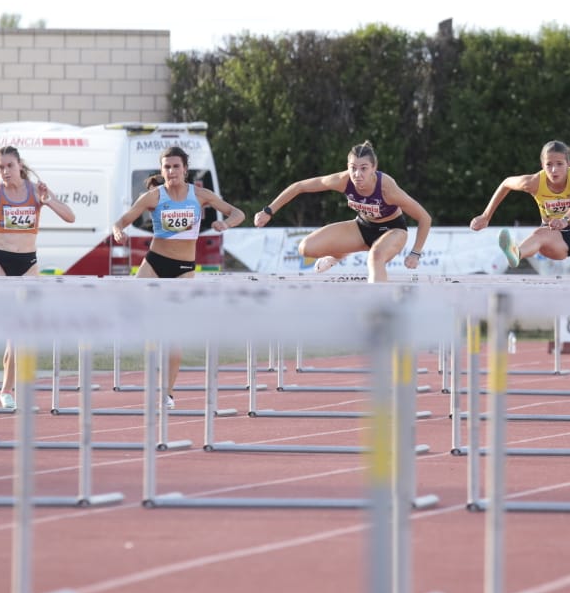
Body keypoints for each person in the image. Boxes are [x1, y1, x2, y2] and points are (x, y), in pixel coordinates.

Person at [112, 146, 244, 408]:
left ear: (185, 169)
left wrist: (225, 224)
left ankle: (167, 393)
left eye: (175, 166)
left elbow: (238, 213)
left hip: (183, 269)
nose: (171, 171)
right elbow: (121, 221)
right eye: (166, 167)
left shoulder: (201, 194)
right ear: (161, 171)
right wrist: (118, 232)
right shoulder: (153, 197)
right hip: (154, 263)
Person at [0, 145, 76, 410]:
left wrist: (48, 200)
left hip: (27, 264)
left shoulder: (35, 192)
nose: (5, 171)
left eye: (9, 166)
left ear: (19, 165)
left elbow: (70, 217)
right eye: (0, 167)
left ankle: (6, 390)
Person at [253, 140, 431, 284]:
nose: (357, 174)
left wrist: (415, 253)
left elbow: (424, 217)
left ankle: (379, 312)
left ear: (374, 168)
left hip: (393, 230)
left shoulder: (387, 188)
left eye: (364, 168)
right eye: (353, 168)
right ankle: (339, 255)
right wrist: (269, 210)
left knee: (375, 257)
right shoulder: (342, 180)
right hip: (363, 227)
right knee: (306, 248)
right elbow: (300, 187)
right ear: (347, 166)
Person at [469, 140, 570, 283]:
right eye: (549, 165)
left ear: (568, 164)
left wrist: (565, 220)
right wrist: (486, 216)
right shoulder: (533, 182)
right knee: (540, 235)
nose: (554, 170)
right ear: (542, 165)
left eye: (559, 164)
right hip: (555, 237)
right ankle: (516, 253)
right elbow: (506, 183)